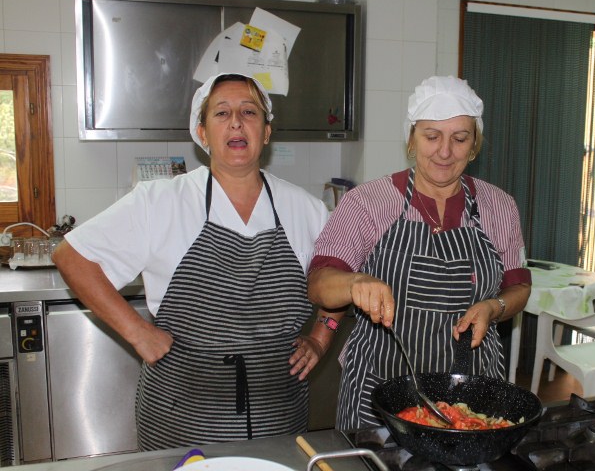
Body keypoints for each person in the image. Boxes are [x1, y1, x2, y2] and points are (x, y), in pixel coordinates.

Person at [52, 72, 339, 449]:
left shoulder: (306, 209)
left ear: (266, 132)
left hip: (278, 419)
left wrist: (321, 337)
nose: (236, 122)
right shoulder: (160, 202)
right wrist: (137, 332)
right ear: (202, 133)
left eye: (249, 112)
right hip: (181, 419)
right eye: (221, 113)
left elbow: (340, 277)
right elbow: (72, 256)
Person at [307, 75, 532, 429]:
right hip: (376, 397)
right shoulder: (368, 203)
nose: (445, 151)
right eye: (432, 136)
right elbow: (319, 284)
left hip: (470, 397)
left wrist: (495, 307)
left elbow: (519, 287)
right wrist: (354, 283)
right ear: (411, 138)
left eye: (460, 138)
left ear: (474, 144)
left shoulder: (499, 206)